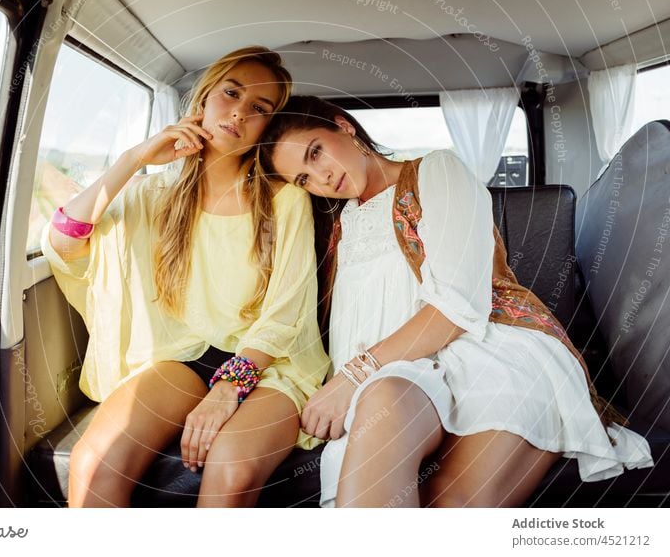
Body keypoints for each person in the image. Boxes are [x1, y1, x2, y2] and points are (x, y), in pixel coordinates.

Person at [257, 95, 654, 508]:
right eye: (303, 178)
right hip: (394, 379)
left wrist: (353, 376)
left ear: (344, 126)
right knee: (383, 407)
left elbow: (456, 306)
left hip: (485, 352)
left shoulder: (436, 172)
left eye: (315, 152)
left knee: (449, 505)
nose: (321, 176)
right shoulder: (335, 228)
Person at [42, 49, 330, 507]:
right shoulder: (151, 194)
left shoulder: (284, 200)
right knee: (93, 462)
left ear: (267, 127)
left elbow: (286, 311)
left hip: (270, 362)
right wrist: (135, 158)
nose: (238, 111)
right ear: (203, 98)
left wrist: (228, 389)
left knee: (231, 469)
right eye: (231, 93)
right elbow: (63, 241)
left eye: (259, 108)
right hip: (178, 358)